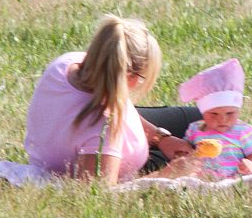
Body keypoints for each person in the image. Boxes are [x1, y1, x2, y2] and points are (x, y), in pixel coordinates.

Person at [23, 15, 194, 185]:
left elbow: (117, 103)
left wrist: (160, 138)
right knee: (208, 146)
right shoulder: (103, 128)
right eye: (143, 77)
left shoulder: (65, 64)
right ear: (130, 76)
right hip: (133, 166)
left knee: (209, 116)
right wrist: (169, 174)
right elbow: (99, 193)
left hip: (128, 137)